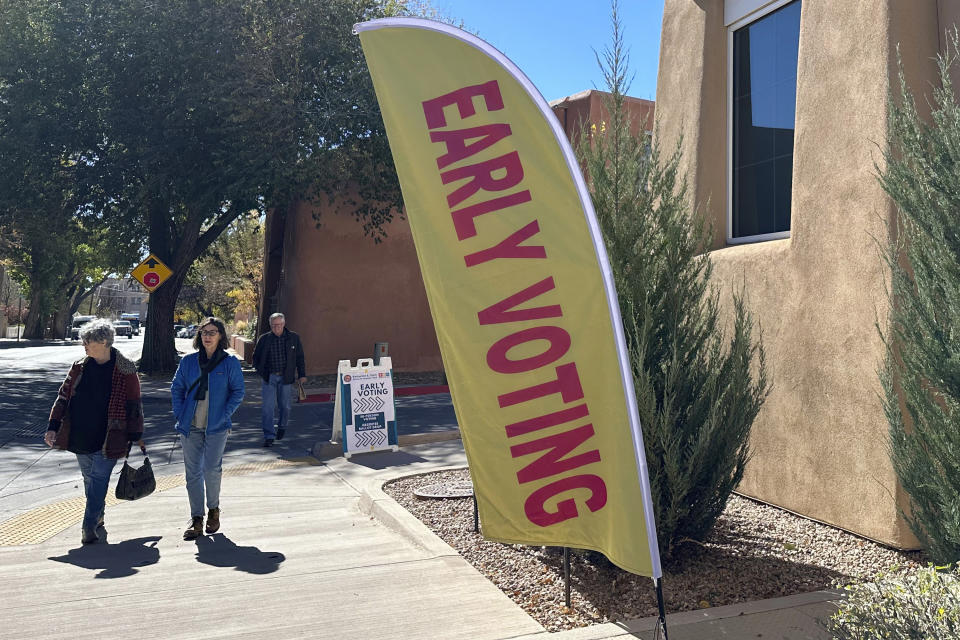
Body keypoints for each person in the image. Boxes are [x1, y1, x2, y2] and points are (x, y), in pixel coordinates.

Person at [44, 318, 144, 545]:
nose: (84, 345)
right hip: (79, 434)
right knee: (89, 479)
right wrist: (53, 427)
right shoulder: (79, 366)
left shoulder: (125, 369)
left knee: (99, 479)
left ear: (104, 342)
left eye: (88, 341)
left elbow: (134, 404)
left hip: (111, 436)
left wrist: (136, 435)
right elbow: (62, 397)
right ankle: (98, 515)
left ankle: (88, 526)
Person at [171, 317, 245, 540]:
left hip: (217, 427)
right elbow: (177, 389)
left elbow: (238, 392)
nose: (207, 336)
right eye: (204, 332)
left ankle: (213, 510)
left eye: (212, 332)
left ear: (220, 335)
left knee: (212, 470)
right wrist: (180, 413)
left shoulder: (229, 363)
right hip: (190, 426)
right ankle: (196, 519)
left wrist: (224, 415)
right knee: (192, 474)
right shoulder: (188, 362)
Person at [252, 312, 306, 447]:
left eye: (279, 325)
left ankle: (282, 426)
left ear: (284, 324)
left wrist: (302, 374)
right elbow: (256, 357)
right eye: (274, 325)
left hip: (286, 377)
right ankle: (269, 435)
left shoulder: (293, 338)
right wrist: (261, 371)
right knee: (267, 408)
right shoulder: (264, 339)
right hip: (269, 377)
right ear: (270, 325)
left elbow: (300, 357)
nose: (276, 328)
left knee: (285, 407)